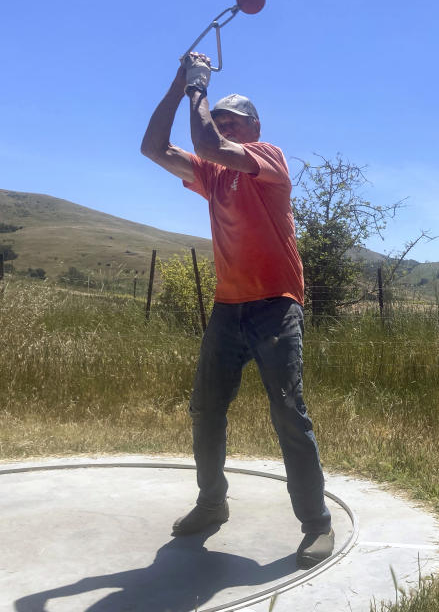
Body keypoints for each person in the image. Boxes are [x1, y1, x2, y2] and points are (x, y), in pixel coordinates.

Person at [140, 52, 333, 570]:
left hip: (275, 304)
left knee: (288, 413)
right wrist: (179, 85)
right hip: (229, 308)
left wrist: (200, 88)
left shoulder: (268, 160)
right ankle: (211, 504)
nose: (224, 125)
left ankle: (317, 525)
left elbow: (206, 142)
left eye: (234, 121)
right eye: (220, 118)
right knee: (205, 409)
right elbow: (152, 147)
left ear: (254, 128)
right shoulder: (211, 174)